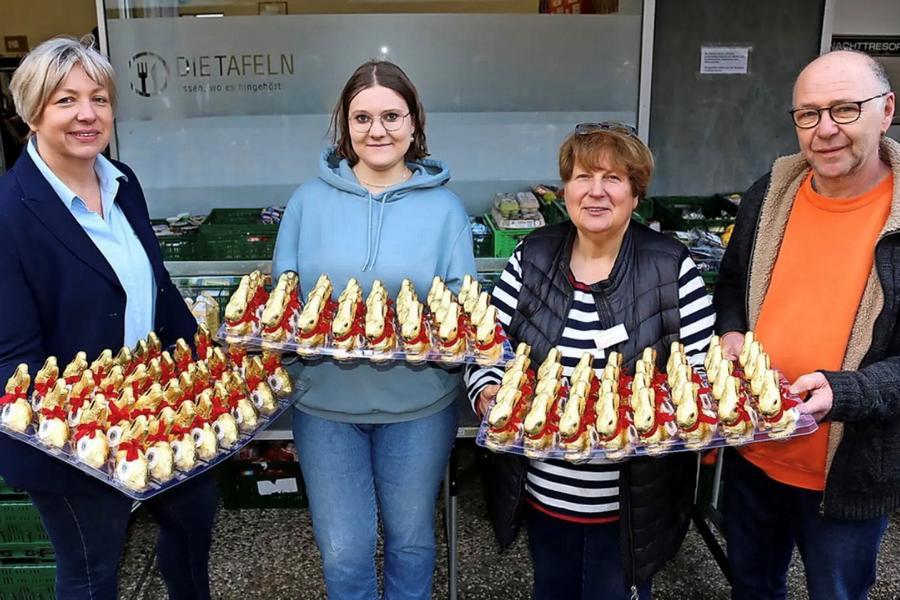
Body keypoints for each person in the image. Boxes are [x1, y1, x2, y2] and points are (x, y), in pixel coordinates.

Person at [0, 37, 218, 600]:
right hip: (74, 437)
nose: (87, 114)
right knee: (92, 571)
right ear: (31, 111)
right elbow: (13, 359)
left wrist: (207, 372)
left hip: (162, 411)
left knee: (193, 530)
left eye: (99, 98)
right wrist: (82, 438)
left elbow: (158, 292)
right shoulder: (10, 214)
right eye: (65, 100)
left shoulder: (122, 182)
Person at [466, 122, 715, 599]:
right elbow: (488, 347)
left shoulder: (670, 266)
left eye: (613, 179)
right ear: (565, 188)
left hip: (629, 506)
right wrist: (490, 394)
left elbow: (699, 373)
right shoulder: (532, 256)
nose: (595, 192)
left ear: (636, 194)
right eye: (583, 177)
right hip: (544, 491)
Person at [272, 60, 476, 599]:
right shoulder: (306, 203)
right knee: (343, 550)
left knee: (411, 542)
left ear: (413, 122)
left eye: (391, 115)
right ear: (345, 124)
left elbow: (463, 311)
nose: (377, 130)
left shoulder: (446, 210)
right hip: (325, 406)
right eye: (362, 118)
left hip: (418, 405)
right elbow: (282, 305)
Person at [714, 50, 897, 600]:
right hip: (752, 451)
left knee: (836, 593)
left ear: (886, 110)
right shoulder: (770, 195)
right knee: (750, 585)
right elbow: (730, 285)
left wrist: (845, 392)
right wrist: (730, 332)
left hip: (846, 473)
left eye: (845, 109)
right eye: (809, 114)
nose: (826, 130)